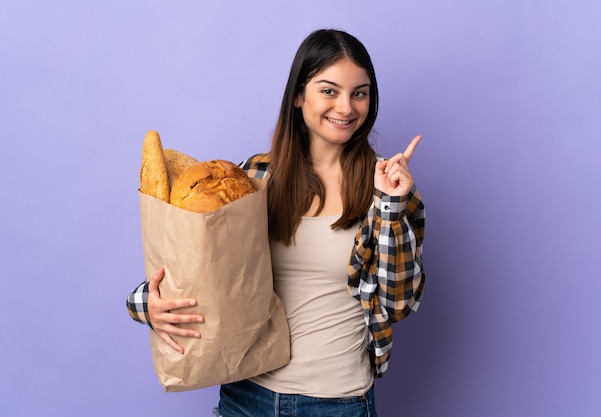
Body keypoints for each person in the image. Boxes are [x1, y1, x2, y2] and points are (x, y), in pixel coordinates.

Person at [127, 28, 426, 417]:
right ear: (299, 95)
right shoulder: (255, 176)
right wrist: (144, 303)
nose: (346, 107)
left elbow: (399, 302)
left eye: (359, 93)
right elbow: (201, 268)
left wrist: (389, 206)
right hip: (246, 396)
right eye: (329, 90)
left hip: (339, 402)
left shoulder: (387, 187)